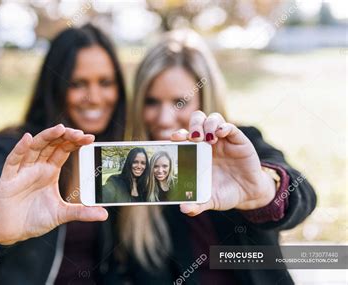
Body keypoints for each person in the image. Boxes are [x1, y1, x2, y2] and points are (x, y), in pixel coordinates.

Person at [125, 29, 317, 284]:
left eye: (180, 102)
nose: (164, 118)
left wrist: (263, 192)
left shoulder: (239, 146)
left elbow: (304, 195)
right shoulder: (135, 169)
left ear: (205, 99)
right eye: (151, 102)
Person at [0, 24, 128, 284]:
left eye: (106, 82)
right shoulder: (20, 147)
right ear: (54, 86)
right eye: (78, 84)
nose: (95, 97)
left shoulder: (125, 152)